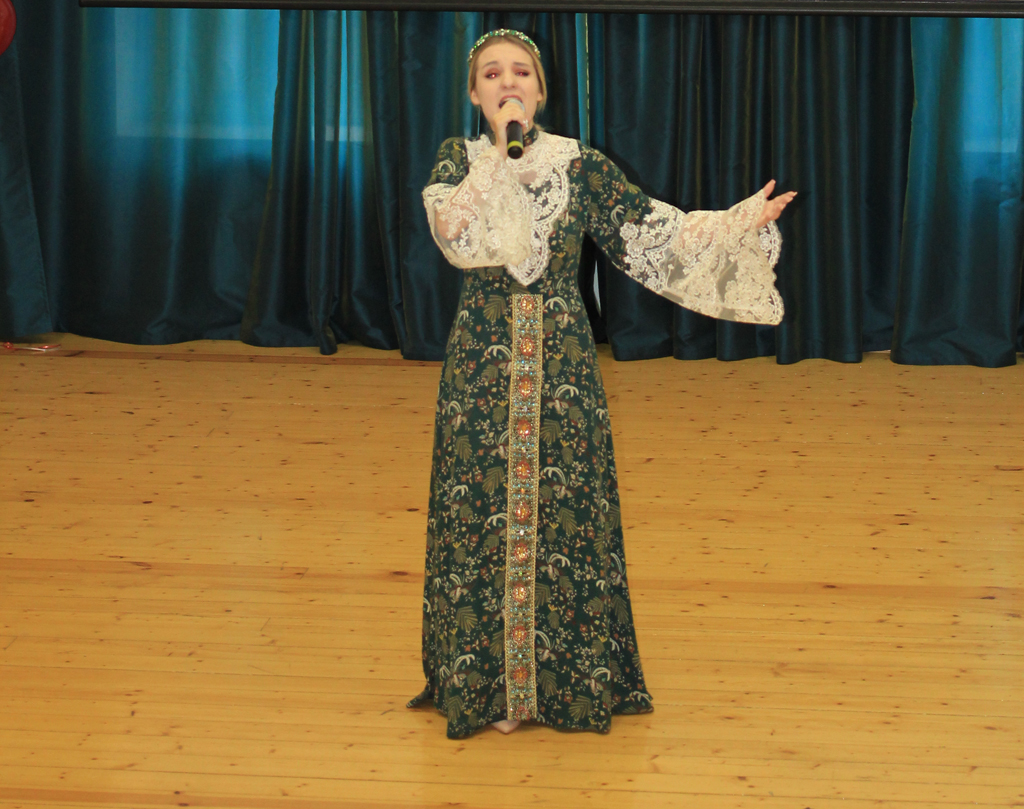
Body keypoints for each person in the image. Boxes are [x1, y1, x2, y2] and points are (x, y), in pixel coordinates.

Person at [408, 29, 796, 739]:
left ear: (541, 88)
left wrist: (738, 222)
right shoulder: (457, 161)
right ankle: (488, 688)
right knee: (478, 507)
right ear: (474, 93)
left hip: (561, 360)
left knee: (567, 508)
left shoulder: (578, 164)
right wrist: (498, 157)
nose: (507, 83)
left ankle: (566, 685)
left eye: (520, 72)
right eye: (491, 74)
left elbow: (652, 233)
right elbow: (454, 232)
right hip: (481, 362)